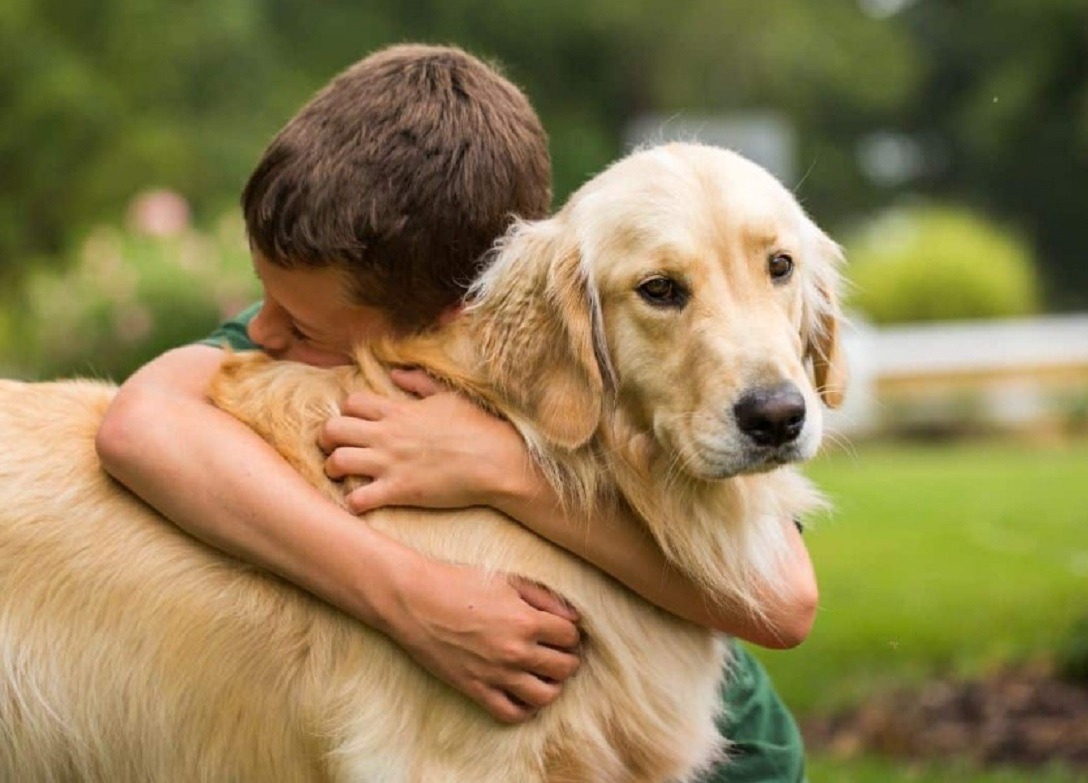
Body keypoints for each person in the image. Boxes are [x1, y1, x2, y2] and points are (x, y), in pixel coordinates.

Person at [95, 43, 816, 781]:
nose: (264, 331)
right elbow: (138, 424)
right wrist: (410, 594)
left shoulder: (560, 318)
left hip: (737, 757)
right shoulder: (339, 302)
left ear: (449, 317)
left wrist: (499, 470)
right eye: (265, 295)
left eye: (301, 323)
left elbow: (787, 602)